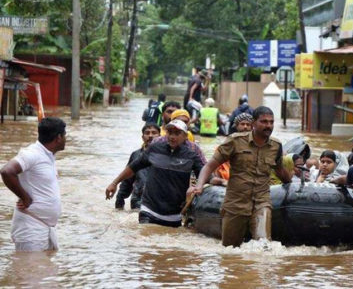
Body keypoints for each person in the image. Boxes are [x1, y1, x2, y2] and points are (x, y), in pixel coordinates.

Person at [191, 106, 292, 247]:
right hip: (236, 203)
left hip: (261, 201)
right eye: (264, 122)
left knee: (263, 246)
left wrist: (293, 184)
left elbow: (280, 169)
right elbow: (209, 166)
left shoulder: (276, 145)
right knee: (230, 249)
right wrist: (200, 185)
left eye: (271, 122)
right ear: (253, 123)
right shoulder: (235, 141)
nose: (268, 125)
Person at [106, 120, 204, 227]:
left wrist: (201, 186)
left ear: (185, 136)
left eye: (177, 133)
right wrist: (114, 183)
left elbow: (205, 175)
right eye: (170, 132)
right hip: (149, 210)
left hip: (174, 215)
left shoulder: (192, 156)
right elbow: (133, 167)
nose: (172, 136)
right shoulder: (154, 149)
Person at [0, 117, 66, 251]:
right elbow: (7, 171)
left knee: (44, 270)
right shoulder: (32, 154)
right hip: (30, 227)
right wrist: (25, 197)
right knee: (29, 270)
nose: (66, 139)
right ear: (58, 138)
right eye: (65, 135)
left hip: (45, 227)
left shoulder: (48, 156)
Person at [115, 123, 160, 210]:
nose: (150, 136)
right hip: (138, 200)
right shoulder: (136, 155)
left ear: (160, 136)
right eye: (147, 133)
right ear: (142, 137)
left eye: (154, 133)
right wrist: (120, 199)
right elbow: (127, 180)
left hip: (158, 200)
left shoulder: (166, 155)